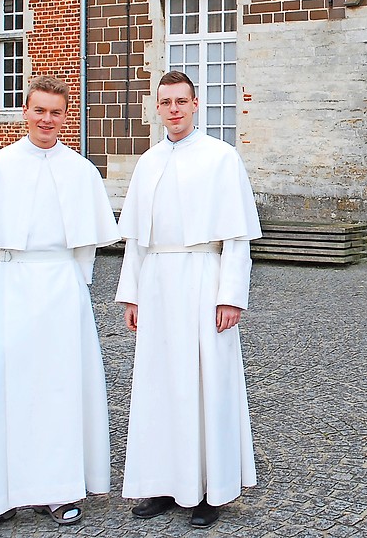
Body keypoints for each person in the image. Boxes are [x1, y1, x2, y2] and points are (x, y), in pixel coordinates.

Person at [0, 75, 120, 536]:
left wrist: (66, 280)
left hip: (61, 289)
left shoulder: (80, 170)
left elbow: (87, 249)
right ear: (24, 112)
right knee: (0, 386)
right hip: (10, 282)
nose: (47, 120)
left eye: (56, 112)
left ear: (66, 116)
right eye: (39, 110)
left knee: (59, 388)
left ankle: (57, 490)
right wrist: (11, 275)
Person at [116, 70, 262, 529]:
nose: (174, 109)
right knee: (159, 384)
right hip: (157, 281)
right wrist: (132, 295)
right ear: (156, 108)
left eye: (182, 101)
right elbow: (137, 241)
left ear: (195, 104)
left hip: (203, 277)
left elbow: (237, 238)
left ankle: (208, 490)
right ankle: (162, 483)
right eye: (166, 102)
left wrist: (231, 296)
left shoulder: (222, 158)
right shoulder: (148, 162)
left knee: (206, 384)